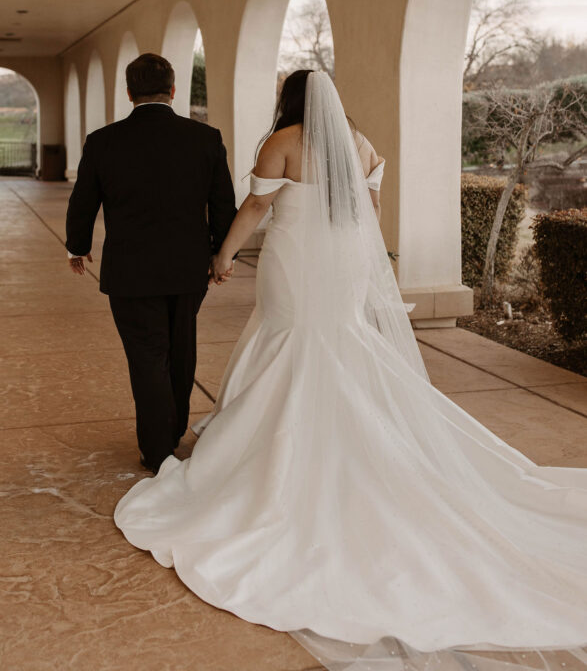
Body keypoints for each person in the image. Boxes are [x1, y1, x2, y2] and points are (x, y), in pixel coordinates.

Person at [114, 69, 587, 671]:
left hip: (295, 255)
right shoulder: (360, 146)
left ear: (290, 98)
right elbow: (372, 208)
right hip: (342, 256)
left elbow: (259, 203)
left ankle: (276, 450)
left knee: (288, 338)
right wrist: (367, 266)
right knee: (335, 340)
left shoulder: (282, 140)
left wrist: (224, 254)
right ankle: (346, 438)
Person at [65, 52, 237, 474]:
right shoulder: (205, 137)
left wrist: (78, 245)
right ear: (174, 90)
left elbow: (83, 200)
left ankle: (158, 448)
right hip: (187, 268)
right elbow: (222, 205)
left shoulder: (103, 141)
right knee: (180, 349)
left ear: (129, 92)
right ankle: (173, 428)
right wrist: (220, 254)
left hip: (130, 272)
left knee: (147, 355)